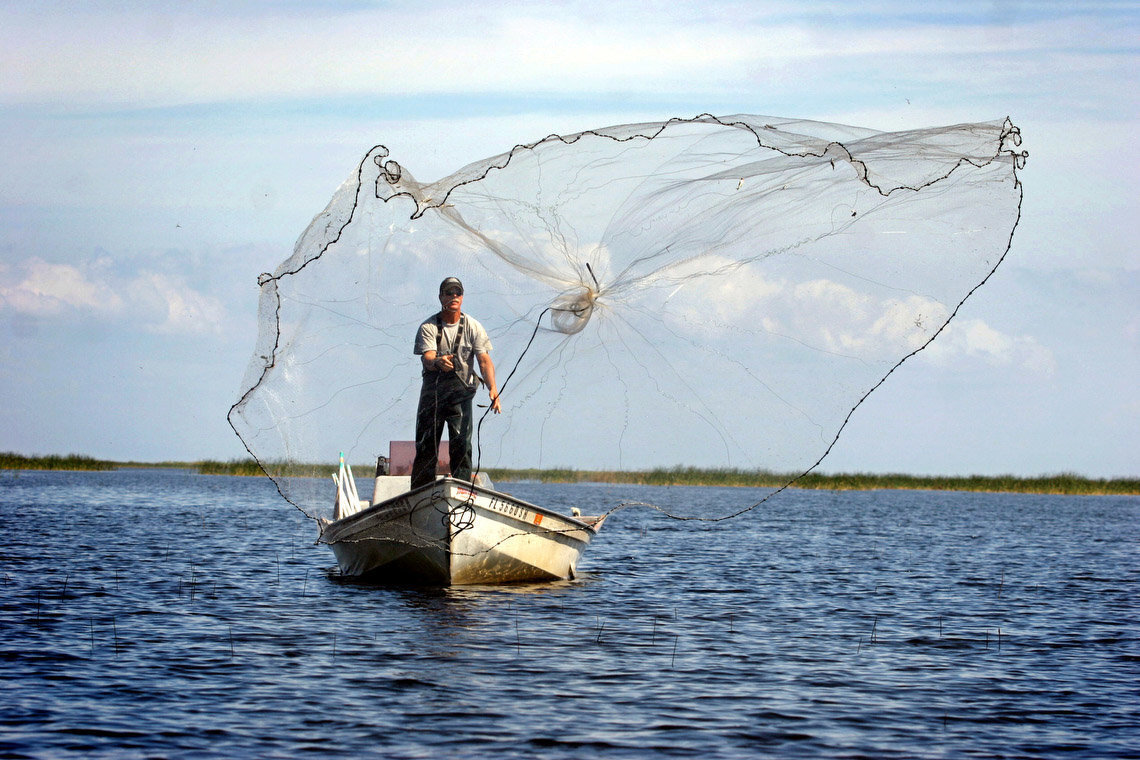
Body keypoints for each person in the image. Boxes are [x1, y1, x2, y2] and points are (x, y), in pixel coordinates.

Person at [410, 277, 501, 489]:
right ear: (441, 297)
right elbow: (427, 357)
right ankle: (420, 492)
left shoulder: (474, 326)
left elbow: (484, 360)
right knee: (426, 446)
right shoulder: (429, 327)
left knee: (462, 444)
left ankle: (461, 491)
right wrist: (437, 362)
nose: (453, 297)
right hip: (432, 396)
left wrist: (493, 389)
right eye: (448, 293)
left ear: (462, 297)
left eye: (457, 293)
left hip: (461, 395)